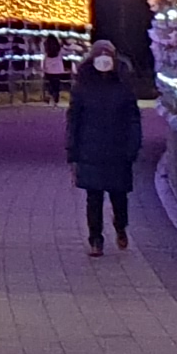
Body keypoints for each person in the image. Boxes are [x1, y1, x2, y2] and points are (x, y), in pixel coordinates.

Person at [66, 41, 143, 252]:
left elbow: (133, 118)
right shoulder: (83, 86)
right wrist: (72, 151)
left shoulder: (123, 86)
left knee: (119, 195)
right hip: (91, 150)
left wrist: (133, 146)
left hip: (117, 150)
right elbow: (74, 119)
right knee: (94, 197)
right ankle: (95, 239)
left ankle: (120, 227)